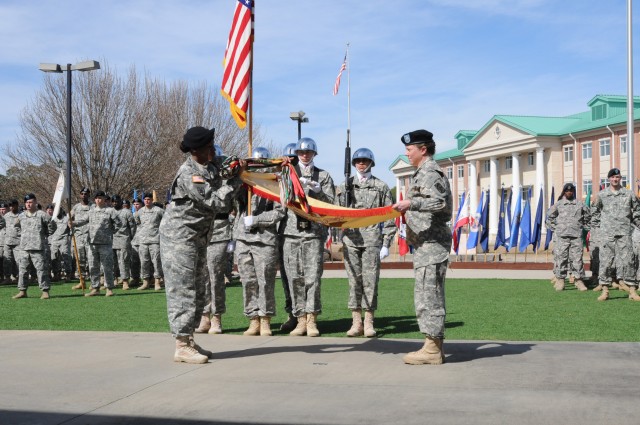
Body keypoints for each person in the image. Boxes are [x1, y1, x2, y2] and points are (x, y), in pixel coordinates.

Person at [160, 126, 243, 364]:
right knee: (183, 290)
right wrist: (237, 179)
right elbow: (217, 201)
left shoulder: (209, 165)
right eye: (209, 147)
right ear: (196, 150)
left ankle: (189, 340)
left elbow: (231, 162)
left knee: (198, 290)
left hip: (196, 237)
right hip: (179, 239)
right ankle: (181, 345)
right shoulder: (189, 174)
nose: (213, 150)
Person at [392, 129, 452, 365]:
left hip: (432, 244)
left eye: (409, 149)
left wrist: (411, 203)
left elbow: (439, 202)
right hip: (425, 245)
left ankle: (433, 349)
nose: (406, 153)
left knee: (430, 297)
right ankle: (432, 345)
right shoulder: (420, 173)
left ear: (423, 149)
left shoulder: (430, 173)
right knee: (426, 296)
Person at [335, 148, 396, 337]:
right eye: (358, 161)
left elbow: (389, 217)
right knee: (354, 281)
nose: (361, 164)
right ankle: (356, 322)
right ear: (353, 164)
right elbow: (336, 213)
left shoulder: (381, 186)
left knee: (370, 281)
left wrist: (386, 243)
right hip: (351, 239)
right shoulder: (344, 186)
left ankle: (369, 321)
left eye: (364, 161)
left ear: (371, 163)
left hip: (371, 240)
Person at [280, 137, 335, 337]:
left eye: (308, 152)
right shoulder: (287, 173)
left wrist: (318, 192)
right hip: (291, 232)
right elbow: (280, 200)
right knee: (295, 277)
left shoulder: (323, 175)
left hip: (313, 233)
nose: (305, 155)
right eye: (301, 153)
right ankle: (300, 319)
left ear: (314, 154)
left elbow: (331, 203)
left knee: (312, 278)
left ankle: (312, 320)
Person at [235, 147, 286, 336]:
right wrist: (239, 173)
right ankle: (253, 319)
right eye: (253, 164)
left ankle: (265, 319)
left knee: (265, 281)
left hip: (265, 239)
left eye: (261, 164)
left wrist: (256, 220)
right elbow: (230, 198)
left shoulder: (275, 183)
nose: (258, 168)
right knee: (248, 281)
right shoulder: (243, 182)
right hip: (243, 238)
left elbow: (280, 212)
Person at [194, 145, 235, 335]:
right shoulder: (198, 175)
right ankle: (204, 316)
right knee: (201, 276)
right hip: (202, 229)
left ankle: (216, 316)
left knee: (215, 275)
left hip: (220, 229)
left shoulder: (227, 179)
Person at [590, 167, 640, 301]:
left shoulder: (629, 194)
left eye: (617, 177)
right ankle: (605, 290)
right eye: (612, 177)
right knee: (605, 262)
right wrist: (600, 226)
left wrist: (636, 223)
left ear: (620, 179)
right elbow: (594, 211)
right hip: (607, 234)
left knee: (629, 261)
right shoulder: (602, 195)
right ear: (609, 179)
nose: (615, 179)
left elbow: (637, 210)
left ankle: (632, 290)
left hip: (624, 233)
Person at [545, 183, 590, 291]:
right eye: (567, 191)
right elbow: (549, 217)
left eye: (571, 191)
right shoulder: (559, 204)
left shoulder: (580, 204)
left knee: (577, 259)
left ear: (573, 192)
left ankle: (579, 280)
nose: (569, 192)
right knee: (561, 258)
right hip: (562, 237)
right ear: (564, 192)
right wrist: (556, 228)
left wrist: (583, 228)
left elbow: (588, 217)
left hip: (576, 237)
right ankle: (561, 280)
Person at [12, 193, 56, 299]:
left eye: (30, 202)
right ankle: (22, 291)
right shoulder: (21, 216)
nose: (28, 204)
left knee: (41, 270)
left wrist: (45, 235)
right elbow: (17, 227)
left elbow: (52, 226)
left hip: (38, 248)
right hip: (24, 248)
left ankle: (45, 291)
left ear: (35, 202)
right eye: (26, 202)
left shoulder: (42, 215)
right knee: (23, 270)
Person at [278, 142, 298, 332]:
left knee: (304, 279)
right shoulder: (278, 177)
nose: (291, 161)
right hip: (282, 234)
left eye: (295, 158)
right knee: (287, 279)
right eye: (288, 157)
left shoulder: (306, 177)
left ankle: (306, 318)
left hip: (303, 234)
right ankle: (292, 314)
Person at [85, 191, 120, 297]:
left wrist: (110, 232)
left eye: (101, 198)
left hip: (105, 243)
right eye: (97, 198)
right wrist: (73, 223)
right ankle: (95, 288)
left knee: (107, 267)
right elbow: (83, 220)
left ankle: (109, 288)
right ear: (94, 200)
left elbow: (119, 223)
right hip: (92, 243)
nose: (98, 200)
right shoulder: (91, 211)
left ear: (104, 199)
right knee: (93, 267)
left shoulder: (110, 211)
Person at [135, 193, 164, 290]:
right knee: (144, 262)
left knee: (156, 262)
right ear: (143, 200)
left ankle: (157, 282)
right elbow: (137, 223)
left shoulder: (159, 211)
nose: (147, 201)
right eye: (145, 199)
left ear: (152, 200)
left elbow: (164, 222)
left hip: (155, 240)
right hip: (143, 241)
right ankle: (145, 282)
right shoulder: (140, 212)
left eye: (149, 199)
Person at [112, 195, 137, 290]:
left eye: (117, 201)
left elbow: (133, 227)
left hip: (123, 239)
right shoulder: (110, 212)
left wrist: (129, 237)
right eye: (113, 201)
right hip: (111, 240)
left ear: (120, 201)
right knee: (113, 262)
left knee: (124, 261)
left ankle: (125, 281)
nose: (115, 203)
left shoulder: (127, 212)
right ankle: (114, 279)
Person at [70, 187, 92, 288]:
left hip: (90, 236)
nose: (84, 195)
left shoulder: (93, 207)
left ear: (89, 195)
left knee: (91, 260)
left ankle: (94, 282)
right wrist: (69, 223)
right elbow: (69, 217)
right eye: (82, 193)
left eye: (86, 194)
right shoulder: (76, 207)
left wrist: (74, 222)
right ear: (80, 195)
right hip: (78, 236)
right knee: (80, 260)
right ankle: (81, 281)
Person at [49, 206, 72, 282]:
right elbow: (50, 229)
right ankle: (56, 274)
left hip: (64, 240)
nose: (58, 212)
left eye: (59, 210)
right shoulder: (53, 219)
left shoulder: (66, 219)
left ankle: (68, 274)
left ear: (62, 211)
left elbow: (71, 229)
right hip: (54, 240)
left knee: (66, 256)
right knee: (54, 257)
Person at [3, 199, 21, 284]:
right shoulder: (6, 216)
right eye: (10, 206)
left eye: (13, 205)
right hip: (7, 242)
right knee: (7, 261)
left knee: (19, 261)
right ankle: (7, 278)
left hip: (18, 242)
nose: (11, 207)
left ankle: (19, 278)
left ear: (17, 205)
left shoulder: (22, 215)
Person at [130, 198, 142, 287]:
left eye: (137, 204)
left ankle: (150, 278)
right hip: (134, 241)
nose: (136, 206)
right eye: (134, 204)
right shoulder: (132, 215)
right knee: (134, 261)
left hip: (144, 240)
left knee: (146, 261)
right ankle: (135, 278)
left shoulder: (144, 213)